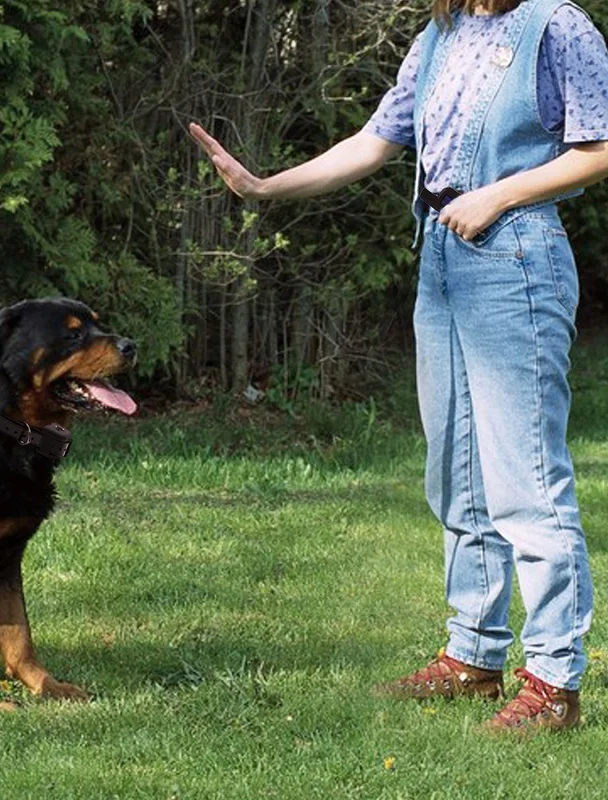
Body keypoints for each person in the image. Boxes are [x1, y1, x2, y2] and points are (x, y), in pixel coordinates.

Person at [190, 0, 608, 734]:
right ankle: (474, 657)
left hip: (515, 256)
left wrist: (499, 194)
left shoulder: (557, 24)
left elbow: (600, 147)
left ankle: (554, 681)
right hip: (443, 260)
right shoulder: (441, 34)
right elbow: (375, 141)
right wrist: (264, 186)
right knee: (456, 473)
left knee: (526, 479)